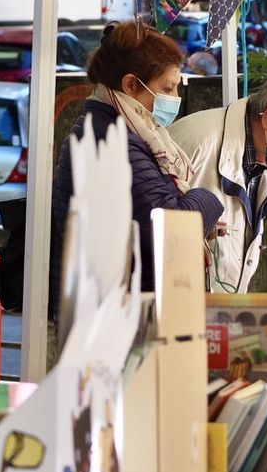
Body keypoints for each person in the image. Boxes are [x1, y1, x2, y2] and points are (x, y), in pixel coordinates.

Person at [49, 21, 223, 322]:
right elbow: (171, 223)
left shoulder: (123, 132)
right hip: (115, 314)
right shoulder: (115, 140)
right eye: (167, 88)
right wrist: (208, 199)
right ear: (131, 85)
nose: (175, 96)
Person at [169, 72, 267, 293]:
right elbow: (146, 220)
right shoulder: (197, 141)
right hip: (174, 304)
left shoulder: (265, 161)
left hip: (221, 312)